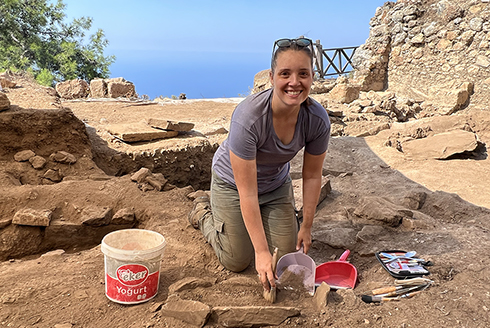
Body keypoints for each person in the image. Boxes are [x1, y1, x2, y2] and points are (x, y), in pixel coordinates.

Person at [188, 37, 331, 293]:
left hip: (275, 185)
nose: (294, 82)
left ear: (312, 77)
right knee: (237, 259)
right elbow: (247, 192)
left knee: (285, 258)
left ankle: (259, 226)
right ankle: (203, 213)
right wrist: (261, 251)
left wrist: (307, 226)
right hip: (232, 184)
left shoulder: (316, 119)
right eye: (285, 73)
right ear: (271, 76)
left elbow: (311, 176)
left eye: (303, 74)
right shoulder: (249, 118)